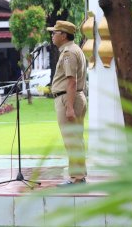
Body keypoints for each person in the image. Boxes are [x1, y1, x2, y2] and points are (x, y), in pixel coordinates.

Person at [47, 20, 88, 186]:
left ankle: (77, 178)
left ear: (63, 35)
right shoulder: (73, 49)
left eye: (55, 33)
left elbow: (71, 82)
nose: (52, 35)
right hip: (72, 97)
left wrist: (69, 107)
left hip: (68, 98)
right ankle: (78, 176)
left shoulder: (68, 53)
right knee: (75, 139)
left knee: (72, 140)